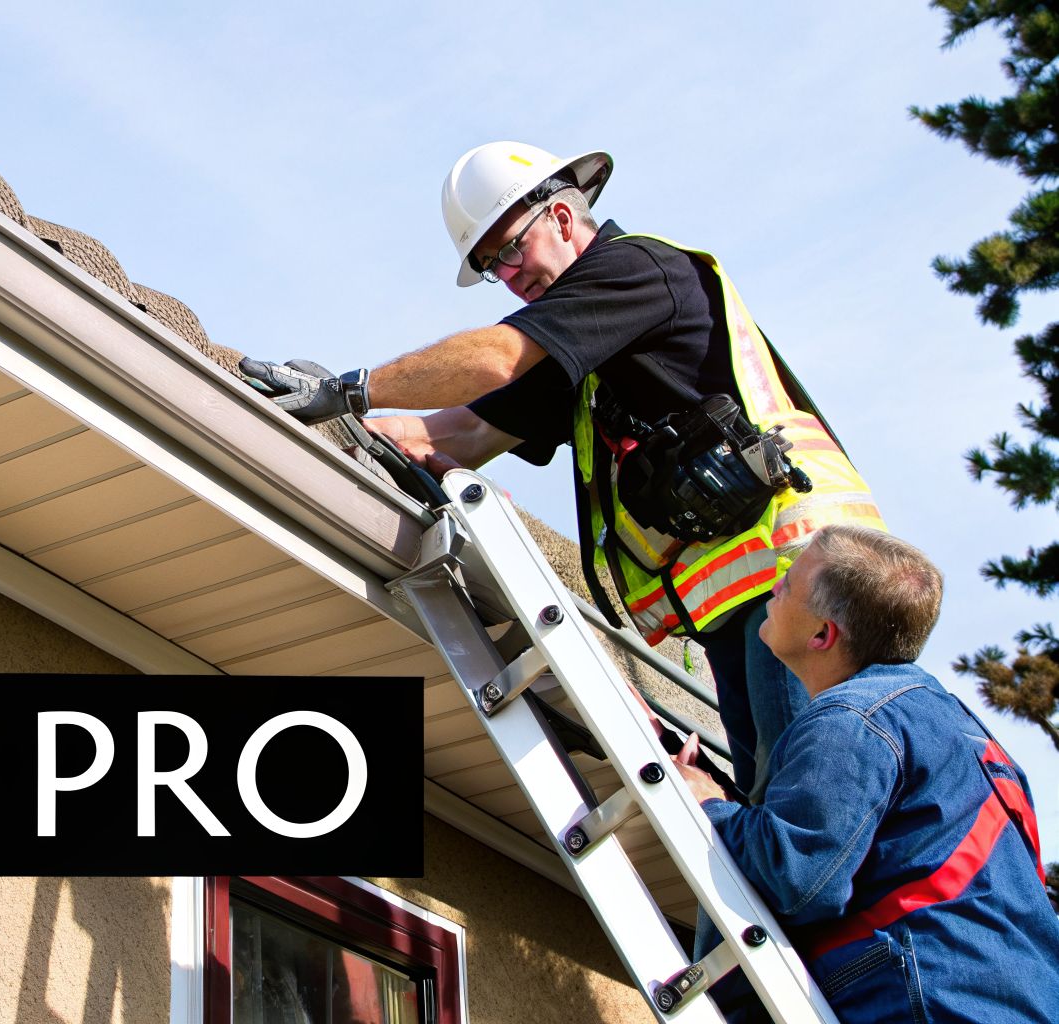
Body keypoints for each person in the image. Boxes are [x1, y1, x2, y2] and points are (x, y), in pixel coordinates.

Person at [240, 141, 885, 806]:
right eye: (493, 266)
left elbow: (497, 356)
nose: (511, 275)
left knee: (802, 805)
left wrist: (355, 389)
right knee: (765, 802)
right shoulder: (588, 346)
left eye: (512, 248)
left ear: (562, 217)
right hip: (743, 591)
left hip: (798, 562)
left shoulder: (632, 270)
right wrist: (322, 416)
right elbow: (458, 431)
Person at [670, 525, 1058, 1022]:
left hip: (925, 1005)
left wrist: (705, 804)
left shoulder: (852, 720)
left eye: (789, 582)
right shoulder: (973, 741)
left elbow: (793, 879)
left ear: (822, 634)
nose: (773, 587)